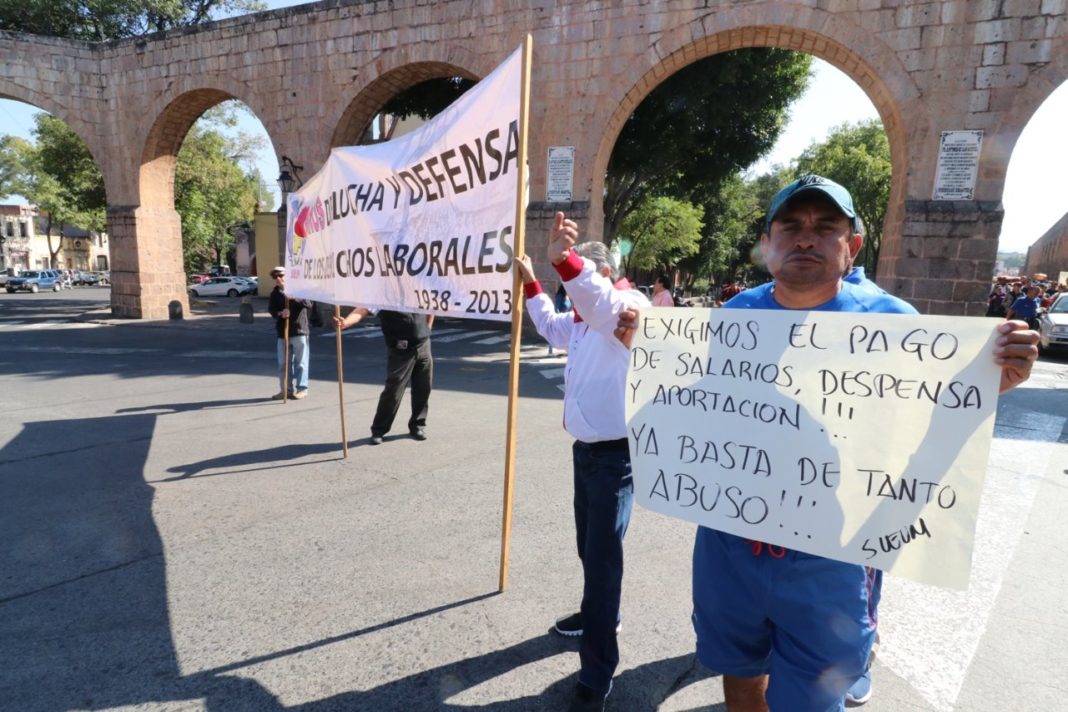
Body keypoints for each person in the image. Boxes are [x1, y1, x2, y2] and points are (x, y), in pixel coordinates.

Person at [615, 175, 1038, 712]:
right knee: (740, 675)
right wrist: (647, 352)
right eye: (790, 226)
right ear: (768, 243)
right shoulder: (735, 316)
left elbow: (923, 431)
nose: (805, 238)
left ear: (852, 244)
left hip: (831, 559)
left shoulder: (894, 324)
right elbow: (696, 407)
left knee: (812, 702)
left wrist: (983, 387)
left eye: (825, 227)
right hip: (729, 546)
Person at [514, 213, 650, 712]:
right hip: (586, 455)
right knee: (588, 549)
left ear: (602, 273)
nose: (572, 294)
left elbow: (598, 301)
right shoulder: (583, 318)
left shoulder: (627, 306)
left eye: (578, 280)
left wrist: (563, 261)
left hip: (617, 460)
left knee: (602, 560)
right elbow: (551, 328)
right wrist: (533, 280)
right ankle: (599, 616)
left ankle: (597, 672)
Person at [333, 308, 434, 444]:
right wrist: (345, 323)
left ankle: (418, 425)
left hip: (423, 345)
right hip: (401, 349)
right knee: (394, 390)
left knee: (423, 387)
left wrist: (428, 328)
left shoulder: (414, 288)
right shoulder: (384, 294)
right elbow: (362, 310)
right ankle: (379, 430)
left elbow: (431, 305)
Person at [267, 266, 318, 400]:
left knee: (301, 362)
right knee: (283, 363)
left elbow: (309, 303)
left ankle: (302, 389)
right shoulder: (275, 293)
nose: (278, 279)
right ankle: (286, 390)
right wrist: (280, 313)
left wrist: (294, 298)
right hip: (282, 332)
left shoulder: (299, 289)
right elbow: (271, 310)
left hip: (299, 330)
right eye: (275, 277)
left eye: (281, 275)